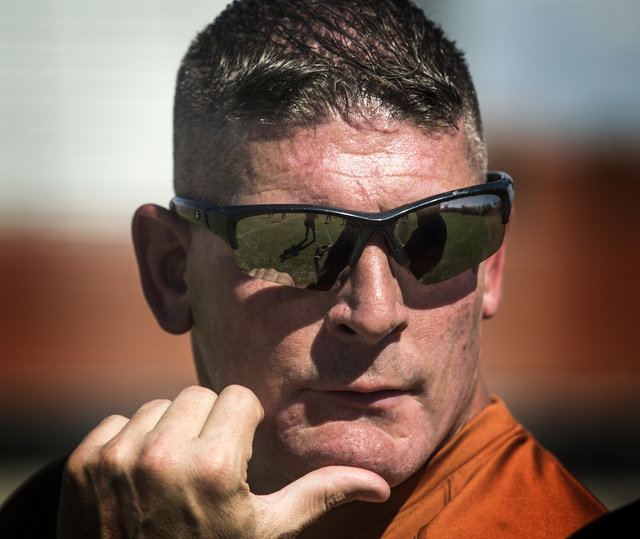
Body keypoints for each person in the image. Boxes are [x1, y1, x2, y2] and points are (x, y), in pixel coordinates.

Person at [0, 1, 608, 537]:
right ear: (170, 271)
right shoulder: (80, 513)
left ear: (490, 265)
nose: (373, 314)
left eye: (436, 237)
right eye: (299, 243)